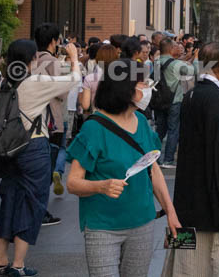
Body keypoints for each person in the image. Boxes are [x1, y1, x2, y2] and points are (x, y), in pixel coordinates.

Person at [66, 57, 178, 277]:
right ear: (126, 89)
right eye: (144, 84)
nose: (149, 89)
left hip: (143, 222)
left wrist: (171, 212)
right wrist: (102, 186)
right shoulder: (94, 128)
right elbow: (72, 183)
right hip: (102, 226)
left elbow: (153, 171)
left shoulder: (142, 123)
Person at [0, 39, 82, 277]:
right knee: (32, 203)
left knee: (9, 200)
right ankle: (18, 265)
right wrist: (73, 57)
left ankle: (0, 263)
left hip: (8, 148)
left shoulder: (5, 81)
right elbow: (74, 80)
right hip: (33, 147)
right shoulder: (34, 81)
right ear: (33, 59)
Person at [164, 41, 219, 275]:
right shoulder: (216, 98)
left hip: (189, 195)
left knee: (187, 266)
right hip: (218, 195)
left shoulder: (192, 94)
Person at [30, 23, 70, 226]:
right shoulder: (55, 63)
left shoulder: (30, 60)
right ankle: (41, 211)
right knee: (47, 166)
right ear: (54, 41)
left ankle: (31, 208)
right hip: (52, 119)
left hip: (31, 118)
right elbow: (62, 93)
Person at [153, 39, 195, 169]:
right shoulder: (176, 64)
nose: (178, 48)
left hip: (159, 101)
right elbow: (193, 71)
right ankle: (168, 160)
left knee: (159, 130)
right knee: (173, 130)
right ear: (171, 49)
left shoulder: (155, 62)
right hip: (174, 101)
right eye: (176, 46)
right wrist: (194, 58)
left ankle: (154, 159)